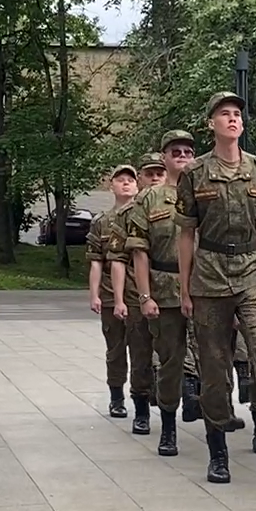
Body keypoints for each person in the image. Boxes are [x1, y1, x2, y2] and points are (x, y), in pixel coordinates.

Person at [178, 91, 256, 482]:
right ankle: (217, 450)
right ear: (211, 125)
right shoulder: (194, 174)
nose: (232, 119)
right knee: (215, 366)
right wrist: (185, 288)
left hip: (251, 267)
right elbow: (186, 235)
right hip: (210, 273)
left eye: (237, 114)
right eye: (224, 114)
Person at [127, 131, 199, 454]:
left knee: (213, 360)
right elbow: (139, 251)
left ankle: (215, 426)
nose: (181, 156)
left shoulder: (207, 189)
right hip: (165, 287)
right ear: (165, 156)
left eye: (187, 151)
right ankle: (168, 426)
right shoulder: (149, 199)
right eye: (175, 151)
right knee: (170, 360)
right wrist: (145, 296)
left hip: (205, 285)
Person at [110, 157, 163, 435]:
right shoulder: (126, 214)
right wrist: (119, 299)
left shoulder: (181, 207)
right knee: (141, 355)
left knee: (181, 353)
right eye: (149, 174)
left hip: (173, 291)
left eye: (159, 173)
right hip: (136, 294)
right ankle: (141, 410)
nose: (155, 178)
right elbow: (118, 259)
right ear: (141, 178)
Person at [88, 164, 140, 418]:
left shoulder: (145, 215)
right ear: (112, 186)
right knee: (116, 349)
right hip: (110, 295)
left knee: (144, 349)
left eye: (130, 180)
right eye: (120, 180)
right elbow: (97, 260)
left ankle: (145, 395)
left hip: (141, 293)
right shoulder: (102, 222)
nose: (126, 184)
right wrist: (94, 294)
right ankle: (117, 397)